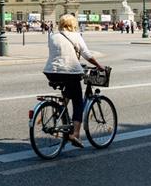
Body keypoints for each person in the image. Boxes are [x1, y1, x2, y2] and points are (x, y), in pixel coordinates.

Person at [43, 14, 105, 148]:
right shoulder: (76, 36)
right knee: (78, 101)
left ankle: (59, 112)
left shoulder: (53, 36)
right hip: (69, 71)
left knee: (68, 92)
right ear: (73, 24)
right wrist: (98, 65)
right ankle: (75, 134)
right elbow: (86, 54)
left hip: (50, 72)